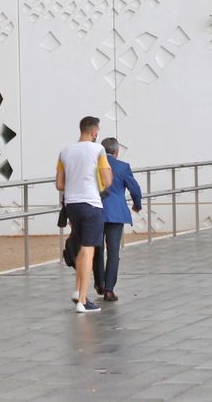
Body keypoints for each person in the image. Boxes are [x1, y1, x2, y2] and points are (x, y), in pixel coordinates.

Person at [57, 116, 112, 314]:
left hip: (72, 204)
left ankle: (77, 290)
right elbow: (107, 180)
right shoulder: (98, 150)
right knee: (89, 250)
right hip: (91, 203)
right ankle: (82, 300)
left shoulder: (65, 151)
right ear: (95, 131)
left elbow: (59, 184)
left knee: (81, 247)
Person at [93, 137, 143, 302]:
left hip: (96, 212)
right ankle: (109, 290)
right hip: (116, 213)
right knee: (113, 251)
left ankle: (99, 283)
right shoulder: (123, 166)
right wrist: (137, 205)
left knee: (97, 250)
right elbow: (135, 189)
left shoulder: (94, 165)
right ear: (116, 151)